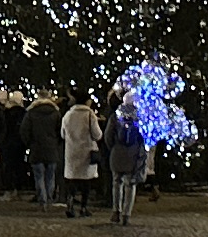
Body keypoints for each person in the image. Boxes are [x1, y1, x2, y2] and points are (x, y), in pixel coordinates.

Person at [102, 92, 147, 225]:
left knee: (116, 182)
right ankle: (126, 214)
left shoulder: (115, 116)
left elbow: (107, 136)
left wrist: (113, 148)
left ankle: (116, 211)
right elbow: (143, 138)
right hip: (133, 153)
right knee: (130, 184)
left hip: (117, 152)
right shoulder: (139, 116)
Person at [59, 91, 103, 218]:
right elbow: (97, 134)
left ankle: (70, 203)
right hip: (86, 152)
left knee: (72, 179)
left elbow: (63, 134)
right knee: (86, 181)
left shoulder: (68, 115)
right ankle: (83, 207)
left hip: (71, 151)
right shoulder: (90, 115)